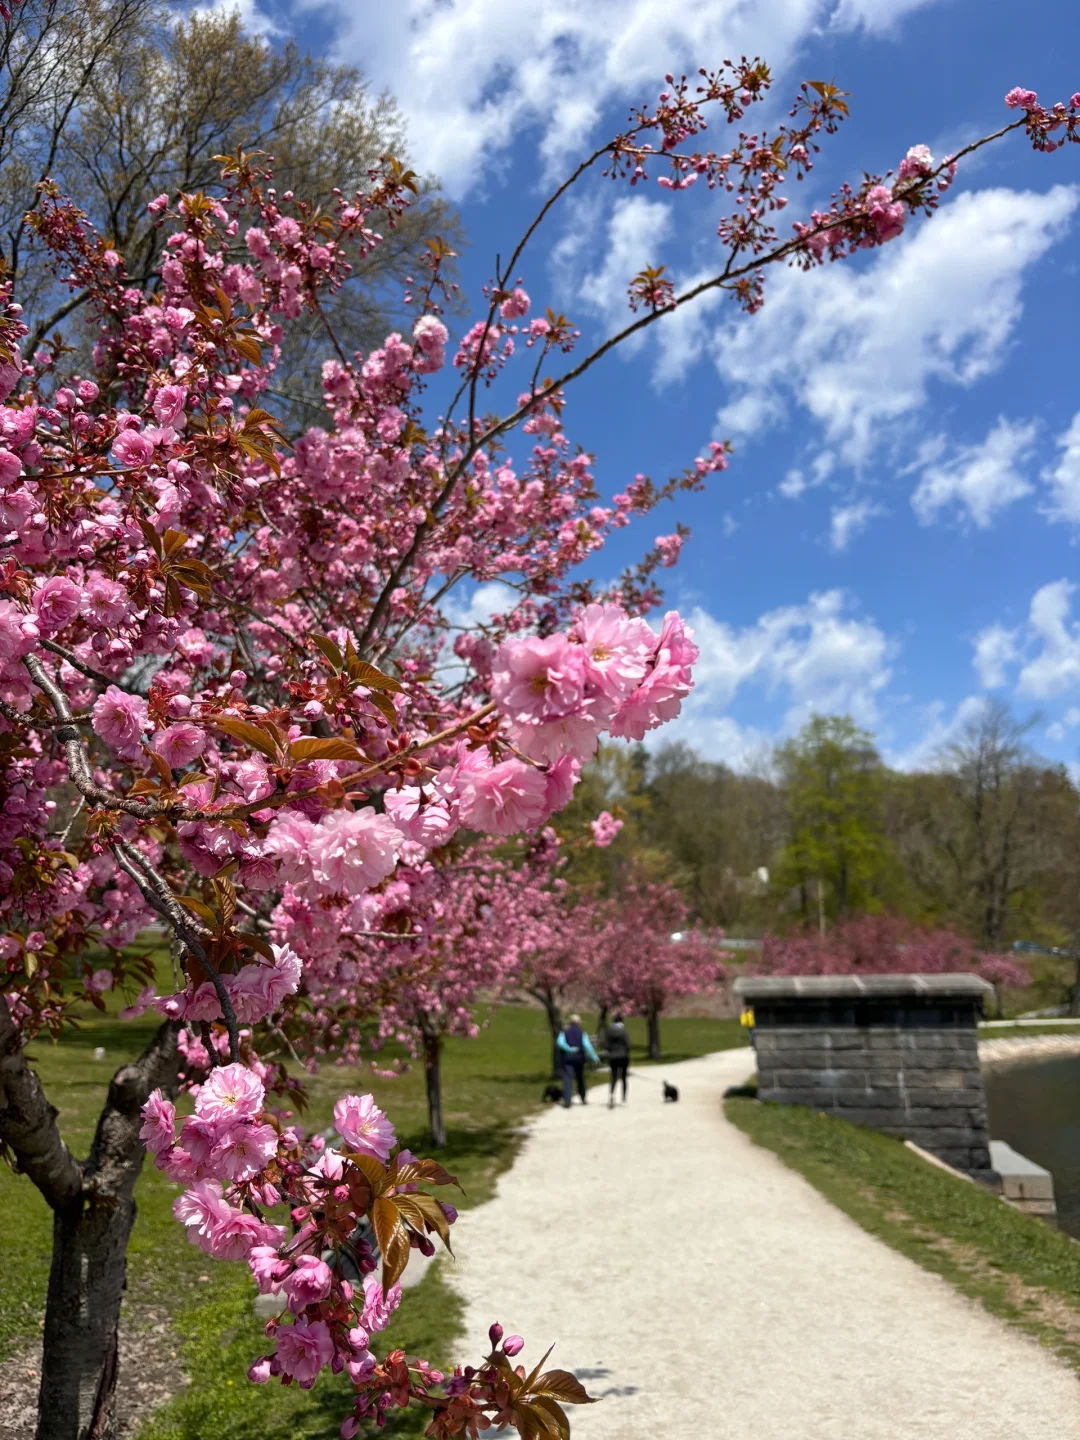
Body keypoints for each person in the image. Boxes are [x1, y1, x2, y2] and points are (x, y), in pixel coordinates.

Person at [557, 1014, 598, 1107]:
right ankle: (583, 1098)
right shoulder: (582, 1032)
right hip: (579, 1058)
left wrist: (569, 1049)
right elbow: (587, 1045)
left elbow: (560, 1043)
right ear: (579, 1023)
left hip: (567, 1058)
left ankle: (567, 1101)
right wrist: (594, 1057)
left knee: (567, 1079)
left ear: (570, 1022)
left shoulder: (564, 1031)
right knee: (580, 1078)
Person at [603, 1013, 631, 1107]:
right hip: (623, 1056)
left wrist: (610, 1050)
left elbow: (606, 1045)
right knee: (623, 1077)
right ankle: (623, 1098)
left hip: (613, 1056)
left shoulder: (609, 1031)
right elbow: (628, 1045)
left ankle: (612, 1094)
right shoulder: (624, 1031)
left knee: (613, 1077)